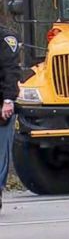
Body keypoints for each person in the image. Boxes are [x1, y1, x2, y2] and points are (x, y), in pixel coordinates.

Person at [0, 25, 20, 213]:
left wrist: (8, 100)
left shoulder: (6, 38)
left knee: (0, 154)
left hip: (1, 104)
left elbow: (11, 71)